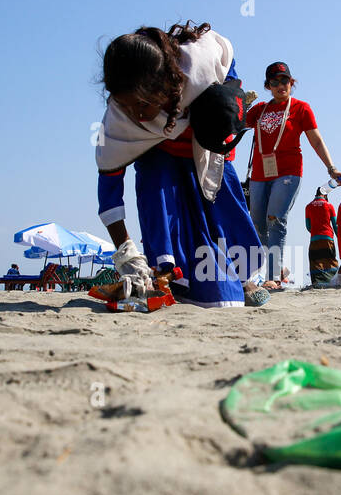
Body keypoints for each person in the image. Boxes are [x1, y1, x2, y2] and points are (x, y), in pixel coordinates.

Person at [95, 21, 269, 308]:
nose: (137, 115)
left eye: (143, 104)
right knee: (156, 189)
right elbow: (109, 187)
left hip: (204, 142)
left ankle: (243, 277)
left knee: (224, 209)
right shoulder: (119, 123)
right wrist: (126, 253)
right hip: (159, 157)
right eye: (127, 106)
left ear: (164, 84)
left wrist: (227, 97)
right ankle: (165, 275)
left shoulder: (199, 65)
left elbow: (228, 60)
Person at [244, 62, 341, 289]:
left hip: (288, 172)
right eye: (274, 82)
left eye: (284, 80)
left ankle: (273, 278)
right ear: (268, 86)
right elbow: (236, 124)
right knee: (257, 223)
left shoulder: (301, 108)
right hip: (260, 173)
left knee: (275, 219)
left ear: (291, 82)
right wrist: (243, 102)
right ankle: (278, 267)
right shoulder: (260, 110)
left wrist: (331, 167)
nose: (280, 85)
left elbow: (316, 140)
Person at [305, 188, 340, 285]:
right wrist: (339, 238)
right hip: (328, 237)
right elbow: (335, 225)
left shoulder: (308, 206)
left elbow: (308, 226)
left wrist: (315, 232)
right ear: (325, 195)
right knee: (330, 260)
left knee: (315, 261)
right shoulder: (329, 206)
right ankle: (331, 282)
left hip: (314, 238)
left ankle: (317, 282)